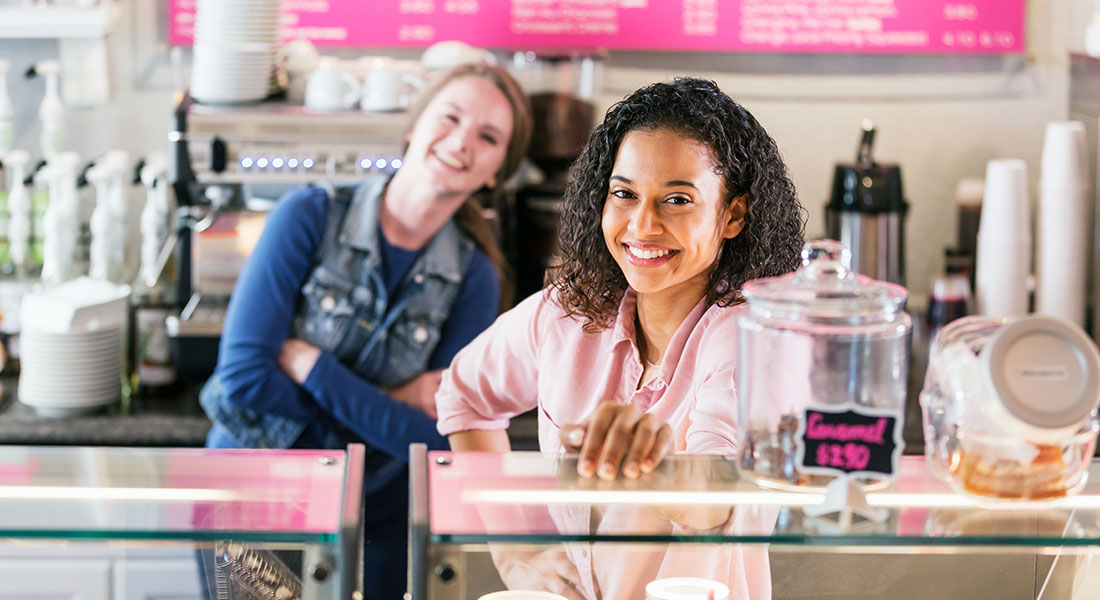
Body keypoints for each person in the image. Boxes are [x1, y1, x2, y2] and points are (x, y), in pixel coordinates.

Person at [434, 77, 805, 598]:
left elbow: (718, 494)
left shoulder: (750, 339)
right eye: (625, 194)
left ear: (733, 215)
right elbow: (464, 395)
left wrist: (653, 468)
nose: (642, 225)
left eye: (677, 199)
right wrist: (516, 552)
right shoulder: (568, 312)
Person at [198, 62, 533, 597]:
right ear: (415, 126)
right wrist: (391, 403)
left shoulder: (475, 277)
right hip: (255, 494)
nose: (462, 141)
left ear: (496, 172)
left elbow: (439, 440)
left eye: (488, 137)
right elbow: (241, 380)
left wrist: (314, 369)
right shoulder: (309, 214)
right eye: (450, 117)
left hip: (375, 513)